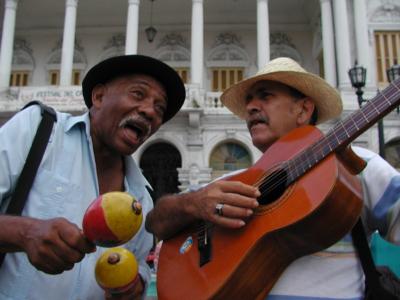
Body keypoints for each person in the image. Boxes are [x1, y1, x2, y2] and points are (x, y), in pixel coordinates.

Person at [145, 57, 400, 299]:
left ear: (303, 109)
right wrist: (193, 203)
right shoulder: (234, 181)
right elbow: (156, 221)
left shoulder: (354, 166)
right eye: (249, 100)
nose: (250, 107)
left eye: (266, 96)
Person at [0, 54, 186, 299]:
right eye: (138, 94)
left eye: (159, 108)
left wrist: (132, 287)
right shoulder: (39, 131)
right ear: (98, 97)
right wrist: (25, 233)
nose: (150, 111)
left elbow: (139, 267)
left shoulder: (142, 197)